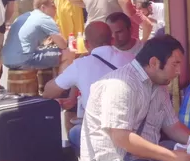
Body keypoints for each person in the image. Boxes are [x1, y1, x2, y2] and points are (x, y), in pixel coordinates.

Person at [43, 21, 133, 150]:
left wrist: (66, 68)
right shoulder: (131, 58)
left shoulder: (80, 65)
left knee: (74, 133)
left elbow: (48, 92)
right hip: (133, 130)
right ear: (112, 40)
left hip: (102, 134)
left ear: (86, 44)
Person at [2, 0, 70, 71]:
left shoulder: (22, 16)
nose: (56, 9)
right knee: (67, 53)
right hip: (24, 60)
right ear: (43, 7)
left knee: (46, 53)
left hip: (6, 60)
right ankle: (59, 82)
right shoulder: (45, 18)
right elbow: (63, 45)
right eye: (53, 6)